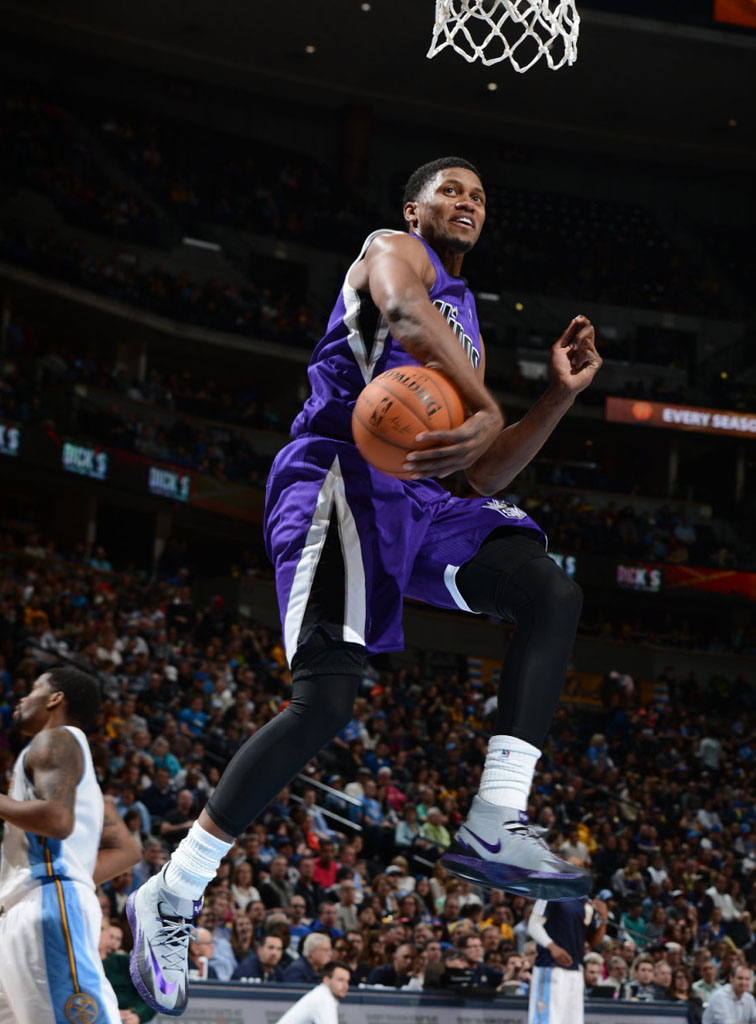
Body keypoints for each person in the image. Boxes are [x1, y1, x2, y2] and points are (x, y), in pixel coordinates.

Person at [128, 156, 601, 1016]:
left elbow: (485, 474)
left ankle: (498, 813)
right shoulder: (393, 253)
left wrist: (553, 402)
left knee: (550, 591)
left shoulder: (469, 323)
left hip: (417, 504)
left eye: (480, 197)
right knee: (327, 703)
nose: (466, 203)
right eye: (450, 191)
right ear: (413, 208)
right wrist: (481, 400)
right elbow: (397, 307)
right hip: (336, 479)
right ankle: (174, 888)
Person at [0, 666, 141, 1024]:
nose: (22, 697)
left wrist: (63, 880)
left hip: (45, 903)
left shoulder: (56, 739)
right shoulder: (75, 767)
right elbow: (128, 849)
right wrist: (74, 873)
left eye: (33, 688)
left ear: (54, 698)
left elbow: (56, 820)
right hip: (33, 904)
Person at [527, 892, 608, 1024]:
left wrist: (603, 918)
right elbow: (533, 925)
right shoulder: (551, 892)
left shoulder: (584, 901)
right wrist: (552, 947)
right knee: (545, 1020)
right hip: (550, 968)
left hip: (575, 971)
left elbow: (593, 942)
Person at [275, 961, 350, 1024]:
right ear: (326, 980)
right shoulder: (323, 999)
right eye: (340, 980)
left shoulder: (321, 994)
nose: (345, 985)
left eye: (347, 981)